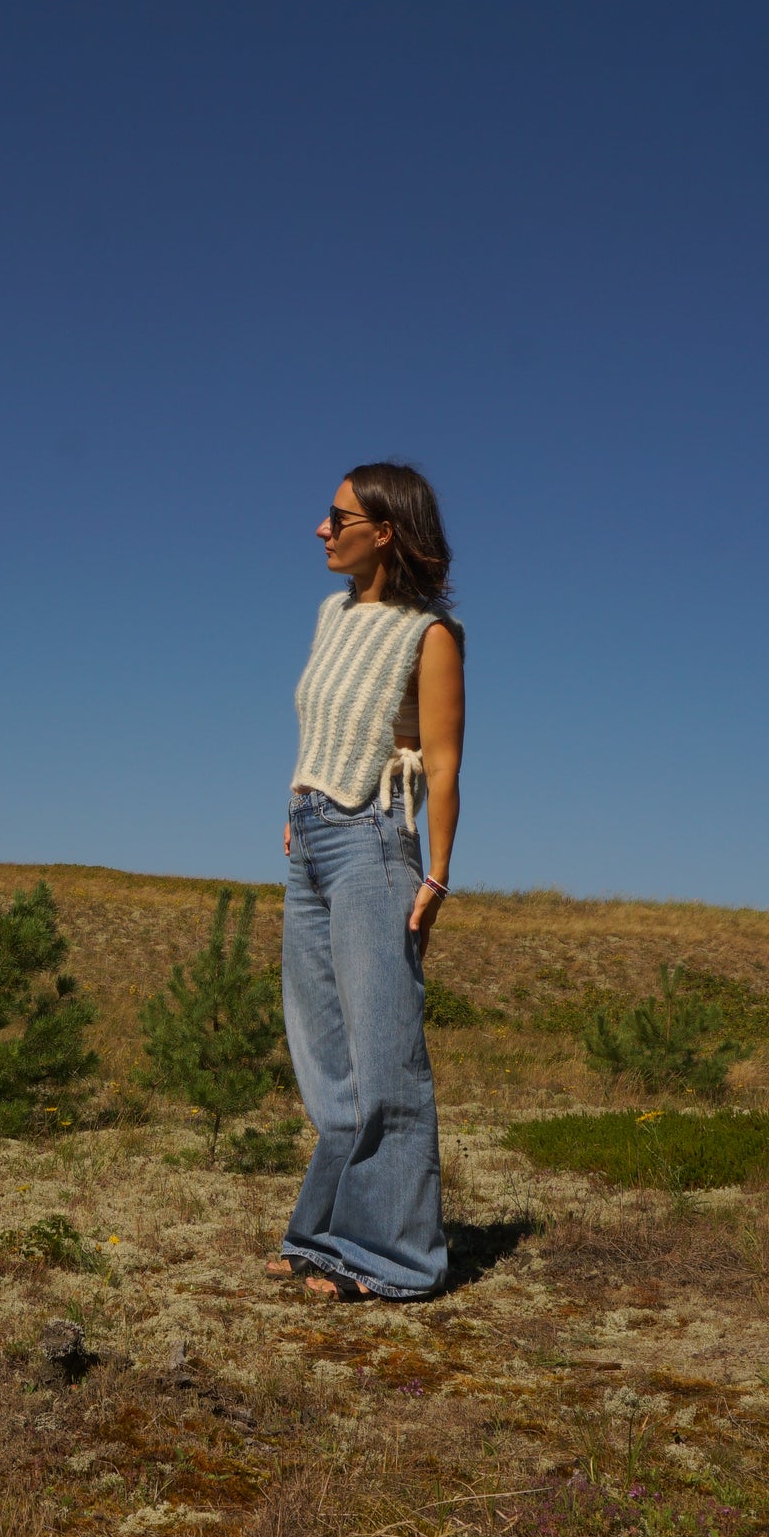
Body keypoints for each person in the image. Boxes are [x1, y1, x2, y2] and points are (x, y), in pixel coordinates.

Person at [267, 462, 465, 1302]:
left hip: (375, 847)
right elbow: (324, 723)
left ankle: (396, 1261)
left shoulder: (429, 636)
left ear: (382, 530)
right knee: (325, 1061)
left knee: (386, 1062)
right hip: (311, 841)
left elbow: (446, 764)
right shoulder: (328, 615)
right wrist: (295, 800)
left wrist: (439, 873)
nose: (321, 527)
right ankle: (323, 1235)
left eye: (336, 514)